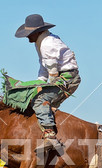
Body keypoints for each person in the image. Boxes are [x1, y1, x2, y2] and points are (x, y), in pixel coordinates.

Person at [15, 14, 81, 150]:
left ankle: (50, 136)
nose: (27, 37)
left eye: (29, 33)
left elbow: (52, 70)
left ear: (37, 32)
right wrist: (39, 83)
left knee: (40, 100)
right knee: (43, 104)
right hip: (65, 76)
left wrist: (44, 87)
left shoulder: (47, 44)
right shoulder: (42, 41)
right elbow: (43, 65)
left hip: (66, 78)